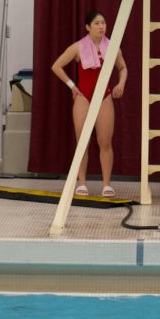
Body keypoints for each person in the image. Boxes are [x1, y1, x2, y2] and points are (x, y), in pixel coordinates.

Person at [51, 11, 128, 197]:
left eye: (103, 23)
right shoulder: (78, 47)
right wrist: (72, 86)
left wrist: (120, 83)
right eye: (97, 23)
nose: (101, 26)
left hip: (105, 97)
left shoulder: (113, 47)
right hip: (83, 97)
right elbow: (56, 66)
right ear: (88, 27)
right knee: (82, 142)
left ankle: (106, 184)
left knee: (105, 142)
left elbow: (123, 68)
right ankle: (82, 182)